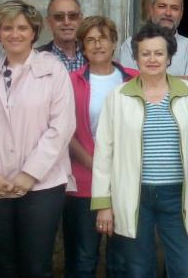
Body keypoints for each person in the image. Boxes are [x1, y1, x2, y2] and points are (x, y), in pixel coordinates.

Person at [0, 0, 76, 277]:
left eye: (22, 27)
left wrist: (29, 174)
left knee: (36, 266)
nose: (15, 34)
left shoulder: (53, 70)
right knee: (6, 266)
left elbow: (61, 126)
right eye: (7, 28)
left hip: (42, 184)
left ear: (34, 32)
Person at [92, 23, 188, 277]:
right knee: (138, 269)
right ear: (135, 57)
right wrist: (104, 203)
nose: (152, 59)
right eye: (145, 53)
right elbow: (104, 152)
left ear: (169, 57)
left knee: (185, 269)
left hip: (178, 194)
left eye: (158, 53)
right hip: (134, 194)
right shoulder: (118, 96)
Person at [64, 16, 138, 277]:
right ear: (82, 47)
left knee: (120, 260)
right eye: (90, 40)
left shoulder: (134, 80)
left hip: (125, 181)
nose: (97, 45)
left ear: (114, 42)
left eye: (102, 38)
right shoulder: (69, 82)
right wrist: (93, 163)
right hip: (84, 180)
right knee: (84, 257)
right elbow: (63, 130)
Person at [117, 0, 188, 85]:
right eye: (162, 6)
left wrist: (144, 79)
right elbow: (128, 84)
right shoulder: (131, 43)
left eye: (174, 8)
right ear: (151, 9)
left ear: (181, 13)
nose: (168, 13)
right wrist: (180, 80)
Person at [36, 0, 85, 72]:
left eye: (73, 16)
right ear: (49, 22)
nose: (66, 22)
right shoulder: (34, 58)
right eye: (59, 17)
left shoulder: (94, 55)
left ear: (80, 20)